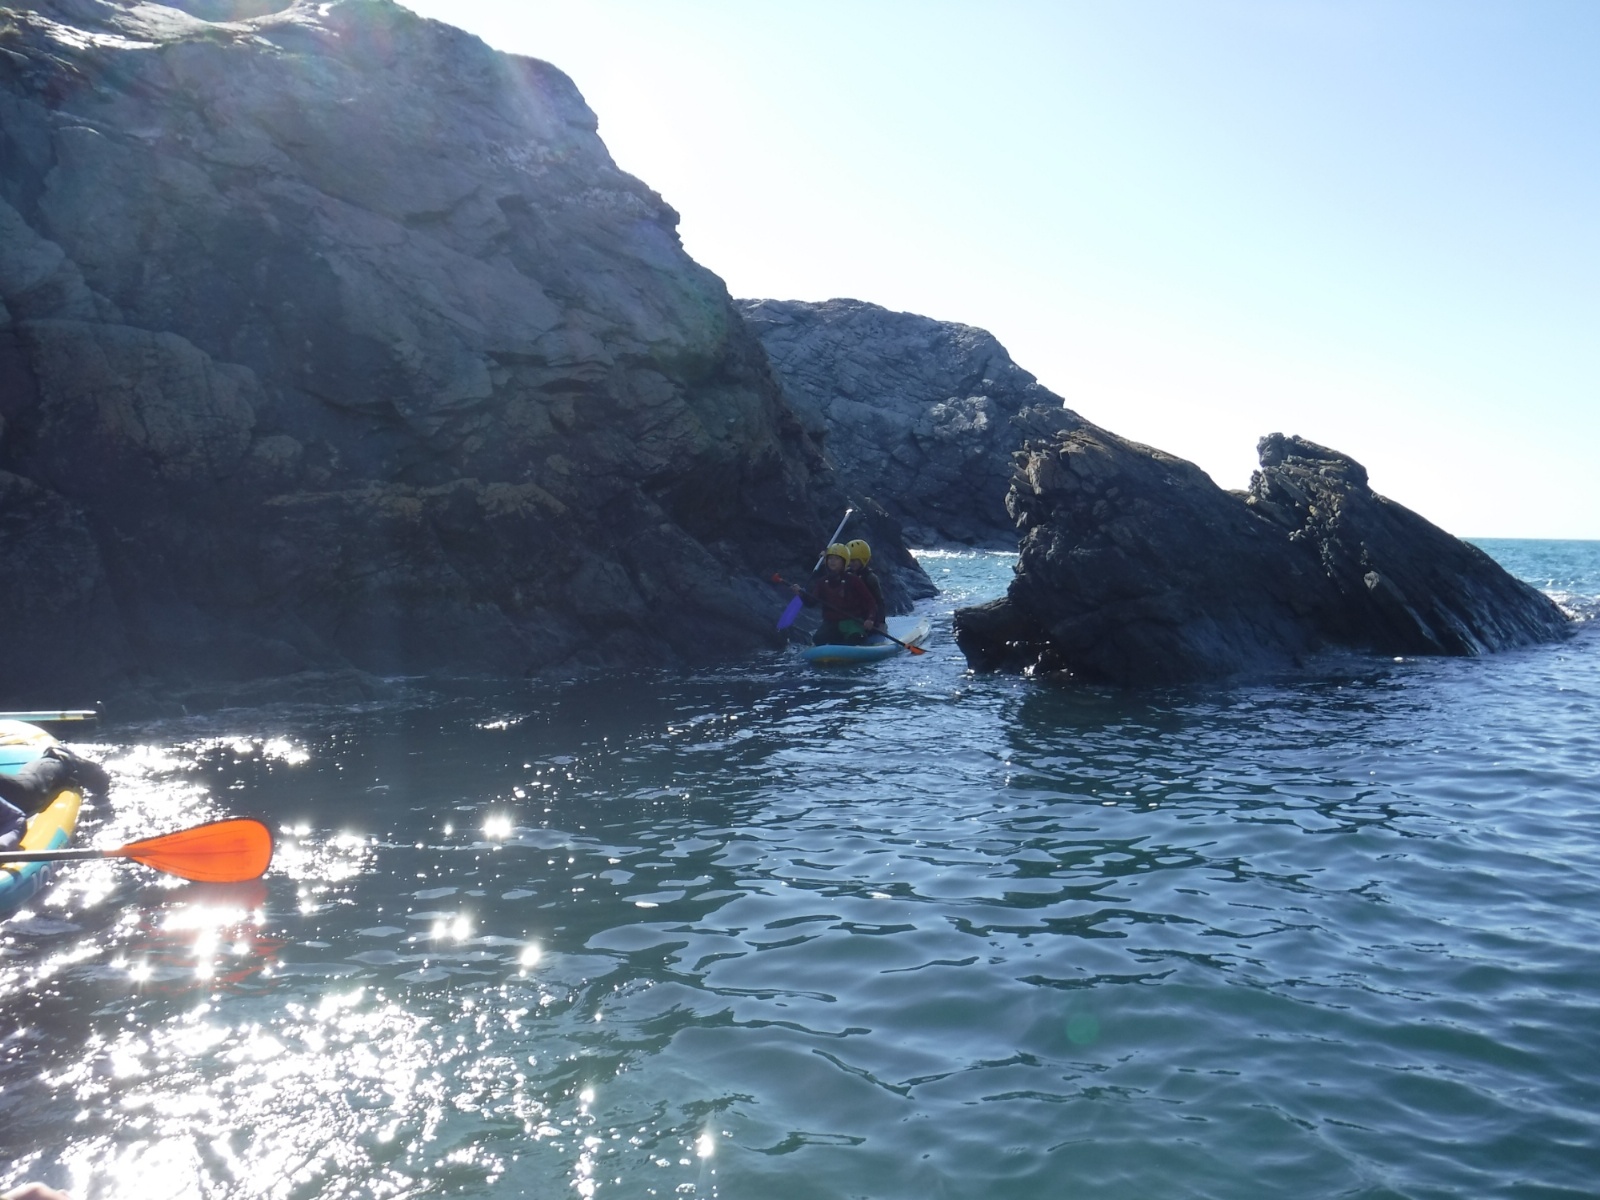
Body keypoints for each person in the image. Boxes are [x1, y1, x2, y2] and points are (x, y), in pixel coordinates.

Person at [792, 543, 878, 645]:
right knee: (818, 639)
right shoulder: (822, 582)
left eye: (837, 559)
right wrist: (801, 594)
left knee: (856, 638)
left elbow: (870, 602)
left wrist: (870, 619)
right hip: (831, 623)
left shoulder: (853, 580)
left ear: (844, 562)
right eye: (830, 558)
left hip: (852, 621)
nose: (832, 561)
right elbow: (812, 603)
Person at [844, 540, 886, 631]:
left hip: (868, 618)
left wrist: (881, 623)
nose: (851, 563)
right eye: (849, 560)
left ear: (863, 559)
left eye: (854, 560)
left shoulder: (870, 578)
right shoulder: (846, 574)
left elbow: (879, 602)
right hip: (853, 615)